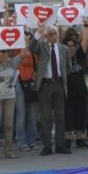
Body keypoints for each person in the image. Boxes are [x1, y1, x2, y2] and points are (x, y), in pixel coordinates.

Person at [30, 25, 71, 155]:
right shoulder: (42, 46)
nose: (53, 36)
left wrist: (62, 78)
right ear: (46, 36)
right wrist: (38, 33)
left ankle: (60, 145)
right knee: (46, 117)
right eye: (51, 34)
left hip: (58, 83)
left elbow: (68, 67)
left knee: (60, 116)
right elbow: (32, 48)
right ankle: (47, 145)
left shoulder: (64, 49)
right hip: (46, 85)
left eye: (55, 34)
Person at [64, 28, 88, 149]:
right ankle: (67, 139)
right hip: (67, 92)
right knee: (68, 115)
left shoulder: (79, 55)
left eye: (72, 46)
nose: (71, 48)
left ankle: (80, 138)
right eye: (68, 46)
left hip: (80, 90)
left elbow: (85, 40)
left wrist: (86, 26)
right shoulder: (62, 58)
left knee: (81, 114)